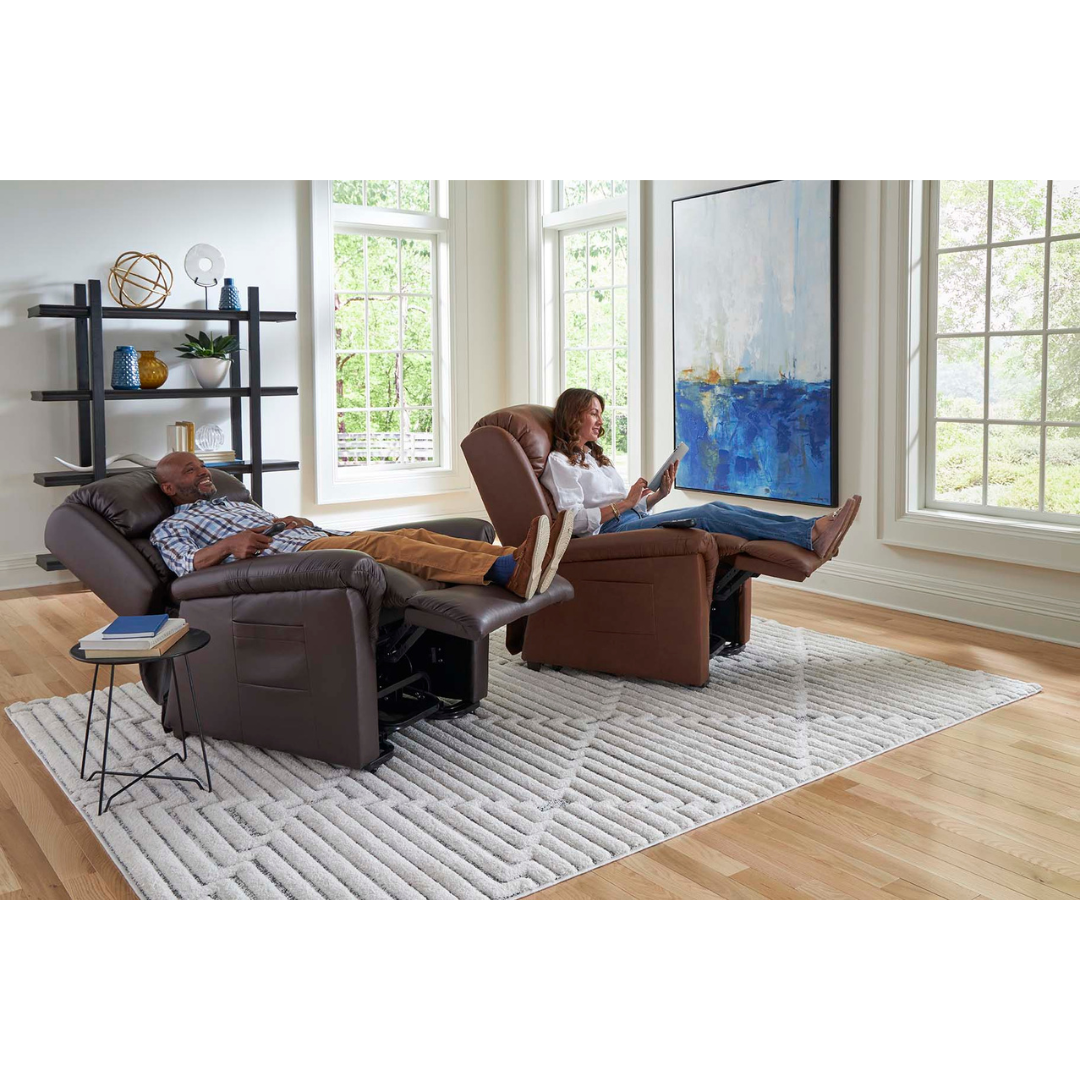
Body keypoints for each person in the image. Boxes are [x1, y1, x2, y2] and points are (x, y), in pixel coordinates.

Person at [150, 452, 574, 601]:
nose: (204, 473)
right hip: (289, 560)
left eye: (204, 466)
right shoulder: (171, 526)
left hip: (312, 537)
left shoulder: (231, 500)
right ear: (170, 487)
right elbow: (186, 566)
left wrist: (291, 521)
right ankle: (506, 572)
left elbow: (273, 527)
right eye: (192, 471)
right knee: (385, 546)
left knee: (410, 537)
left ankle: (520, 559)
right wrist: (231, 544)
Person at [539, 388, 861, 558]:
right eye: (593, 413)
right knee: (707, 513)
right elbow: (571, 522)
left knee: (717, 508)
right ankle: (811, 533)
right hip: (607, 539)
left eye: (600, 414)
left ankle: (811, 529)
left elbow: (624, 509)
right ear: (573, 414)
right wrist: (624, 505)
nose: (600, 420)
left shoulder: (595, 458)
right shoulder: (559, 462)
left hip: (631, 522)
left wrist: (655, 496)